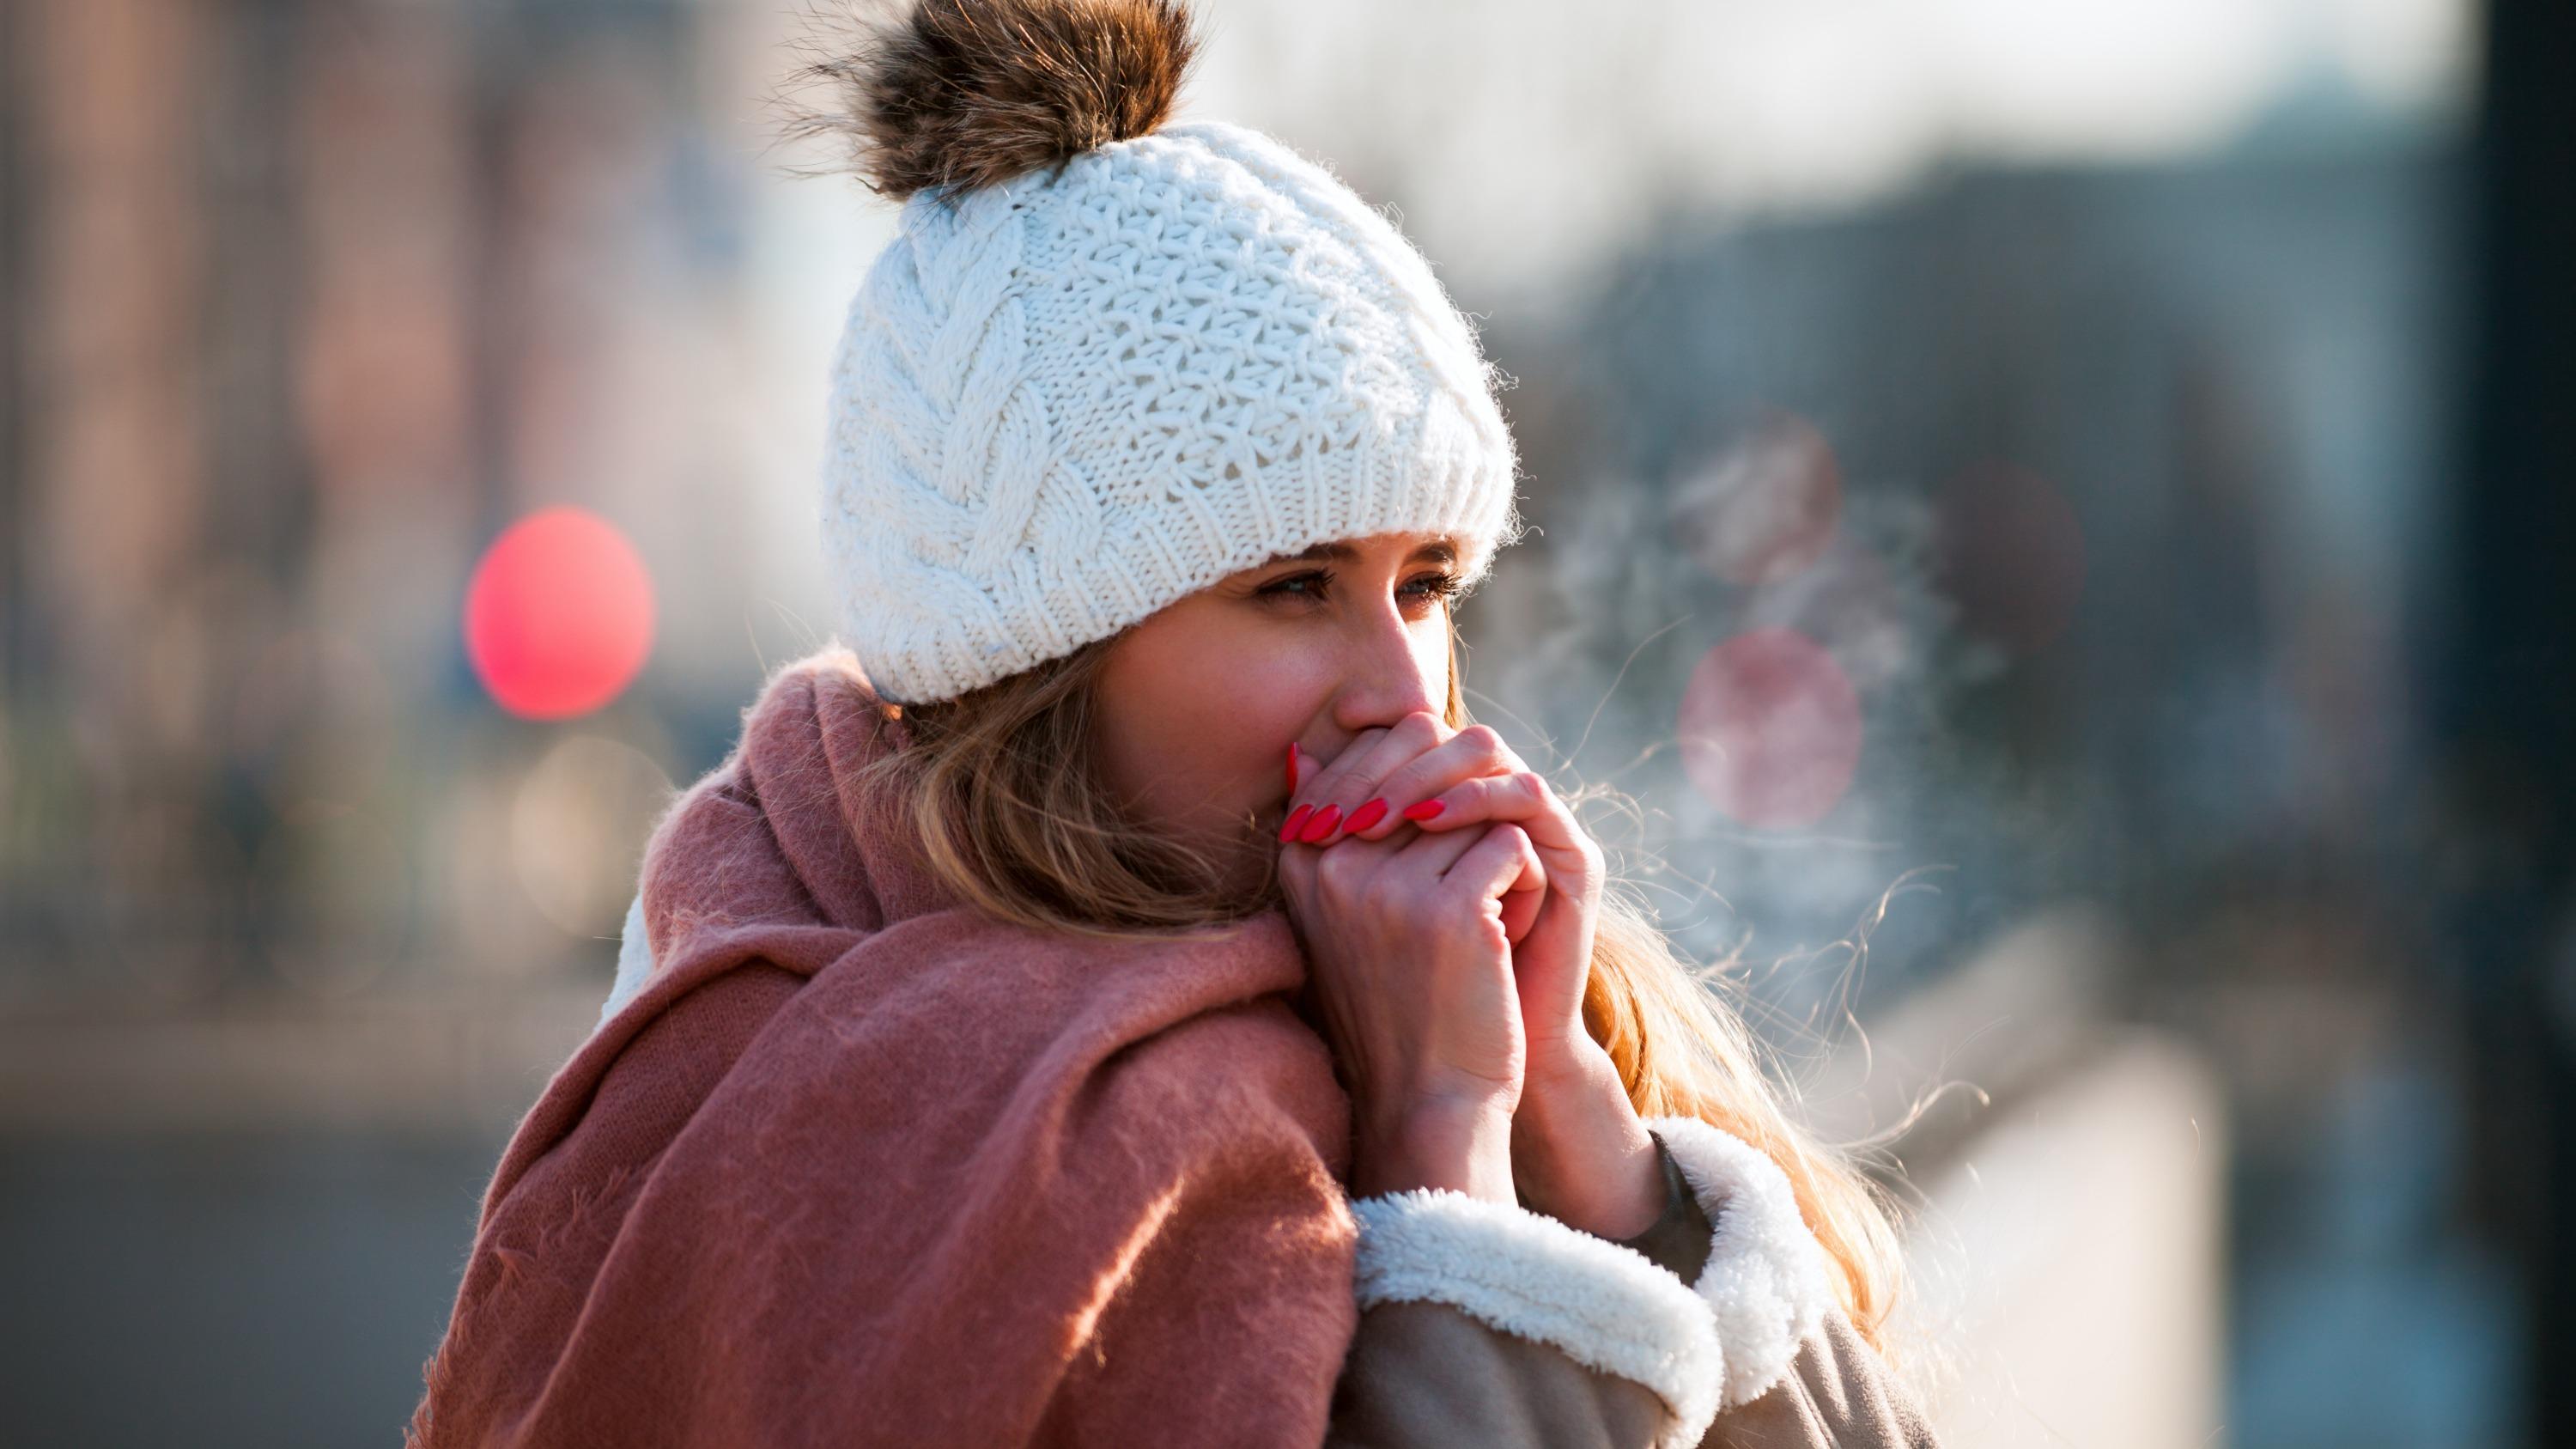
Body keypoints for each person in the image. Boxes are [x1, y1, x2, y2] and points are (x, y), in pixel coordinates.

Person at [410, 2, 1942, 1445]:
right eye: (1292, 587)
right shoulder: (816, 1101)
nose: (1404, 692)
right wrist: (1442, 1161)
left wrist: (1585, 1134)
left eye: (1424, 584)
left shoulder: (1500, 997)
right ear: (1039, 671)